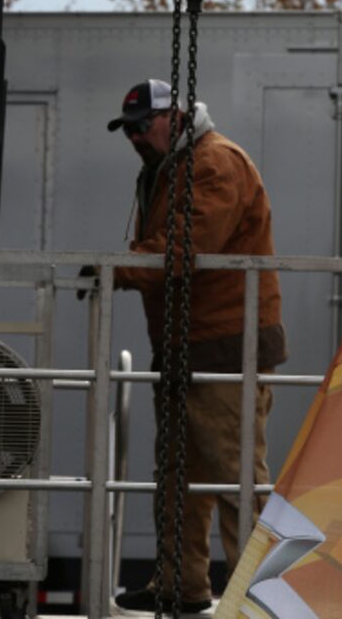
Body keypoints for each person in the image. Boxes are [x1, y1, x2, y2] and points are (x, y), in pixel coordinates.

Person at [108, 79, 287, 614]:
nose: (136, 138)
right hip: (189, 345)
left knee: (234, 476)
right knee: (178, 475)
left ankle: (256, 598)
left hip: (224, 347)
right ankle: (180, 585)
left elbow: (187, 247)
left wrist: (115, 269)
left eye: (144, 126)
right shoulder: (170, 168)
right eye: (130, 131)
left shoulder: (214, 163)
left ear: (176, 118)